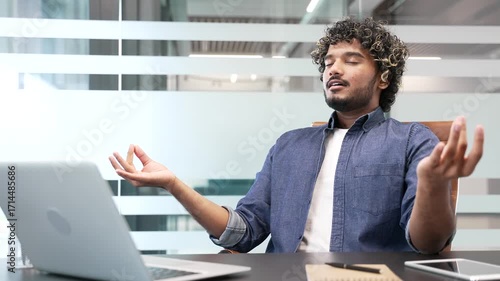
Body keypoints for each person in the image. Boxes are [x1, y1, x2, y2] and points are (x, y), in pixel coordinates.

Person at [109, 17, 484, 254]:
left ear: (384, 77)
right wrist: (174, 185)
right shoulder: (289, 145)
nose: (333, 69)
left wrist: (433, 186)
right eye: (328, 63)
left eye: (351, 60)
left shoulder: (413, 142)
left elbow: (428, 244)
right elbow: (243, 232)